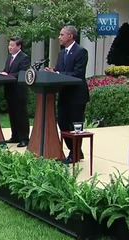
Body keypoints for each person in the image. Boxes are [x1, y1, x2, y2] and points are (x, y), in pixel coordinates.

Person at [45, 25, 90, 163]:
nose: (59, 37)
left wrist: (57, 73)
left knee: (75, 125)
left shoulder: (81, 51)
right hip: (64, 94)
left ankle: (74, 154)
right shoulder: (61, 53)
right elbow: (59, 70)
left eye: (62, 34)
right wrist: (52, 72)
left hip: (77, 95)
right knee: (63, 123)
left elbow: (78, 74)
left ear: (70, 36)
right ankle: (75, 151)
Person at [0, 36, 31, 147]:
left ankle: (24, 138)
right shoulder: (10, 58)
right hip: (10, 90)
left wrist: (9, 75)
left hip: (19, 90)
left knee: (20, 114)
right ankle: (15, 136)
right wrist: (1, 74)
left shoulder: (24, 58)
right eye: (9, 45)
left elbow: (22, 73)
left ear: (19, 46)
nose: (10, 47)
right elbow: (6, 71)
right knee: (12, 114)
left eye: (12, 45)